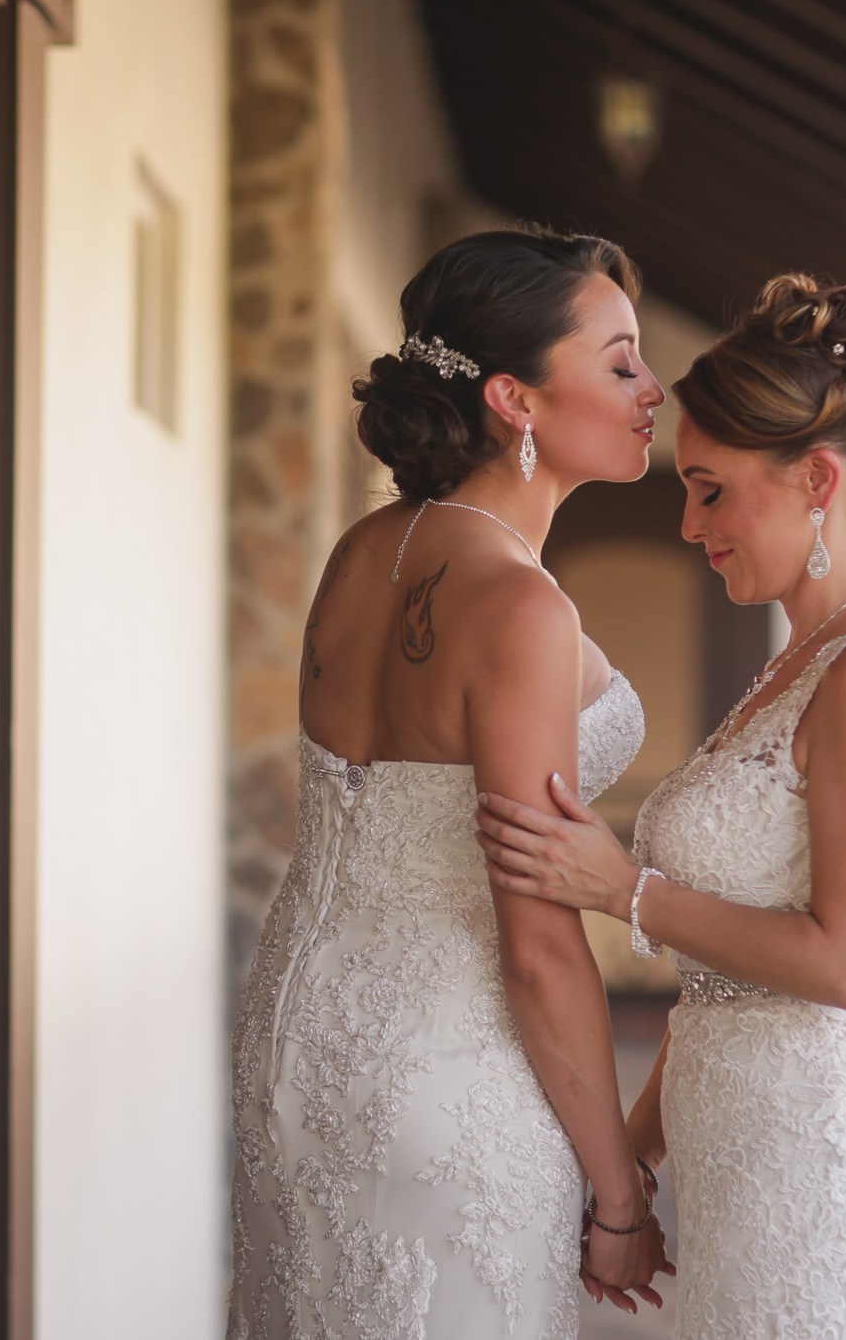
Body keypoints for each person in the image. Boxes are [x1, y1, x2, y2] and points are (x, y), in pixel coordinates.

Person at [476, 275, 846, 1337]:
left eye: (709, 489)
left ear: (813, 480)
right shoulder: (791, 667)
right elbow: (718, 998)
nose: (691, 524)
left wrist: (622, 891)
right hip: (743, 1171)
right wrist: (621, 1169)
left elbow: (845, 966)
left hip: (829, 1175)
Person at [226, 228, 675, 1337]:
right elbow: (532, 939)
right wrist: (617, 1190)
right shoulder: (517, 608)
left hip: (297, 1033)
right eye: (618, 362)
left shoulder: (363, 549)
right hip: (444, 1064)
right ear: (514, 399)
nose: (650, 387)